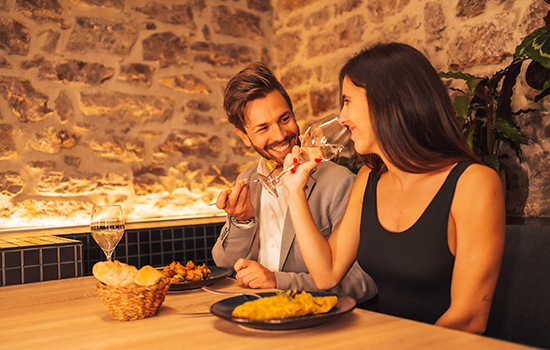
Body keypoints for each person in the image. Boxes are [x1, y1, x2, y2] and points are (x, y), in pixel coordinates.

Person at [282, 43, 505, 334]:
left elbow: (469, 318)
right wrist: (294, 192)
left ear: (386, 101)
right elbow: (326, 274)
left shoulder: (474, 183)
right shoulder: (368, 180)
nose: (343, 116)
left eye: (347, 101)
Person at [211, 62, 377, 303]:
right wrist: (242, 222)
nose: (280, 135)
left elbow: (363, 282)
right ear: (244, 136)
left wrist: (279, 282)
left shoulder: (341, 183)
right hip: (256, 316)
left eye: (284, 118)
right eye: (263, 128)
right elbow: (224, 267)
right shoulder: (248, 179)